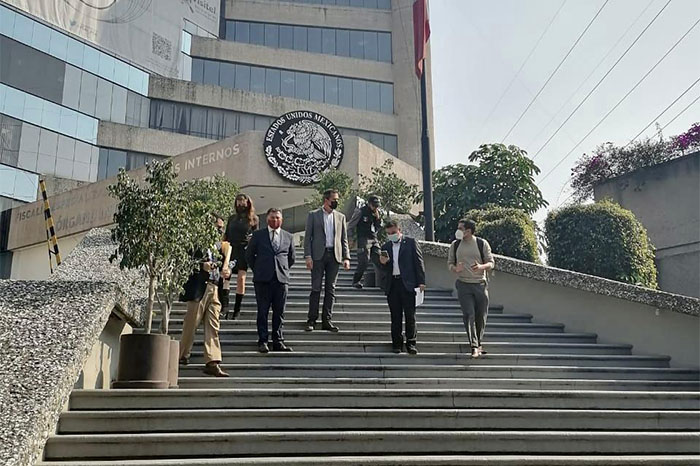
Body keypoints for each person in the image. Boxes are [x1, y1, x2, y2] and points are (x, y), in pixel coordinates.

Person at [178, 215, 232, 377]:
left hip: (215, 288)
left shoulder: (220, 247)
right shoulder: (195, 243)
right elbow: (184, 262)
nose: (220, 230)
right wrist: (202, 266)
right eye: (217, 227)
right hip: (199, 288)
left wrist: (227, 271)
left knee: (213, 326)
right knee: (191, 323)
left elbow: (225, 266)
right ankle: (182, 355)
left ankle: (212, 361)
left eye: (221, 228)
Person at [246, 208, 296, 353]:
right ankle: (263, 340)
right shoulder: (258, 235)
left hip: (281, 279)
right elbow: (249, 255)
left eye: (278, 218)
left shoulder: (288, 236)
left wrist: (282, 269)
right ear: (267, 219)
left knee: (279, 312)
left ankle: (278, 341)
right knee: (263, 311)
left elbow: (291, 258)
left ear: (282, 220)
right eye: (272, 217)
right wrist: (258, 269)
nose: (275, 220)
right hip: (263, 279)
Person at [304, 189, 350, 332]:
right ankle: (312, 319)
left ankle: (327, 320)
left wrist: (346, 257)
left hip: (334, 256)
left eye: (337, 200)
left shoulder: (340, 217)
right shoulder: (313, 215)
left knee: (331, 289)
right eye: (334, 200)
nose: (336, 202)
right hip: (318, 256)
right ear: (326, 200)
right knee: (316, 288)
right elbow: (308, 237)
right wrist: (308, 256)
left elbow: (344, 239)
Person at [377, 219, 425, 354]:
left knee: (410, 315)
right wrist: (383, 263)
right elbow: (383, 269)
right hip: (393, 284)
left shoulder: (410, 243)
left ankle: (411, 343)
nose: (391, 235)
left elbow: (419, 262)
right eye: (388, 233)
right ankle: (397, 344)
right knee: (395, 316)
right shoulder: (386, 246)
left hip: (408, 284)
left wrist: (421, 282)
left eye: (393, 232)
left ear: (399, 230)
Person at [448, 218, 495, 358]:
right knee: (469, 314)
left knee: (481, 316)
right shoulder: (455, 245)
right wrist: (455, 268)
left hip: (480, 284)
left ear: (468, 231)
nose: (458, 231)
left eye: (460, 228)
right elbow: (450, 263)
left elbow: (491, 263)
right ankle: (474, 346)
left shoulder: (481, 243)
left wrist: (481, 267)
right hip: (463, 284)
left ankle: (478, 343)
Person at [223, 193, 259, 320]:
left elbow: (256, 236)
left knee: (241, 279)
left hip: (244, 250)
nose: (240, 204)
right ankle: (225, 307)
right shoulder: (232, 218)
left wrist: (252, 244)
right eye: (238, 201)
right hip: (231, 249)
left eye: (243, 201)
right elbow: (226, 234)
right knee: (226, 277)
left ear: (247, 202)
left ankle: (237, 310)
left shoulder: (253, 219)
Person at [348, 195, 382, 289]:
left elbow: (378, 227)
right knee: (364, 260)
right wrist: (351, 238)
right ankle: (356, 281)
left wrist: (378, 218)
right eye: (374, 205)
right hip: (363, 238)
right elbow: (351, 225)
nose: (375, 207)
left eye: (377, 206)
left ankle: (384, 281)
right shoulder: (360, 211)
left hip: (374, 238)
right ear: (369, 204)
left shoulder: (377, 212)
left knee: (380, 258)